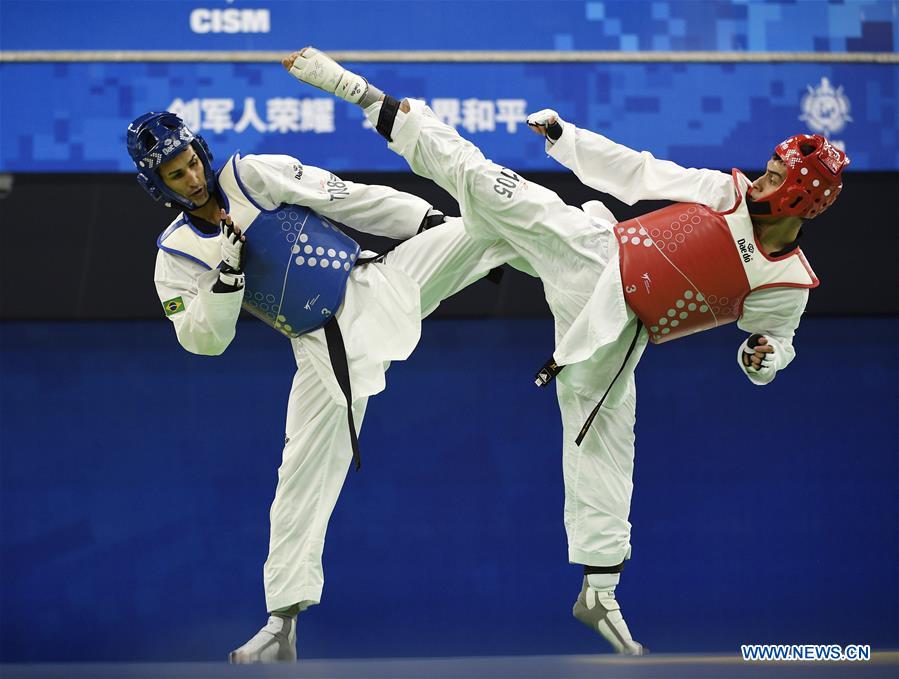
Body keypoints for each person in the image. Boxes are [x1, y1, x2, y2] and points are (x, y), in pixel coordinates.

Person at [283, 47, 850, 655]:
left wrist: (764, 357)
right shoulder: (726, 192)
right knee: (484, 183)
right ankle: (365, 94)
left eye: (775, 177)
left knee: (602, 440)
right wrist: (567, 139)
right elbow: (641, 172)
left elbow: (774, 344)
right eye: (766, 168)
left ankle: (600, 589)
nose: (760, 178)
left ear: (800, 198)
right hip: (593, 250)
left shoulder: (788, 283)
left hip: (618, 330)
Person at [126, 111, 515, 662]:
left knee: (493, 219)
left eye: (191, 162)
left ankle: (608, 254)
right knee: (299, 480)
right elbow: (203, 340)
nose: (191, 177)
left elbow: (345, 198)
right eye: (175, 175)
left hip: (375, 283)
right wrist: (228, 278)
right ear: (156, 186)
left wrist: (424, 220)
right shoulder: (176, 255)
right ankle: (281, 625)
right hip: (322, 355)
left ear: (202, 151)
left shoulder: (251, 175)